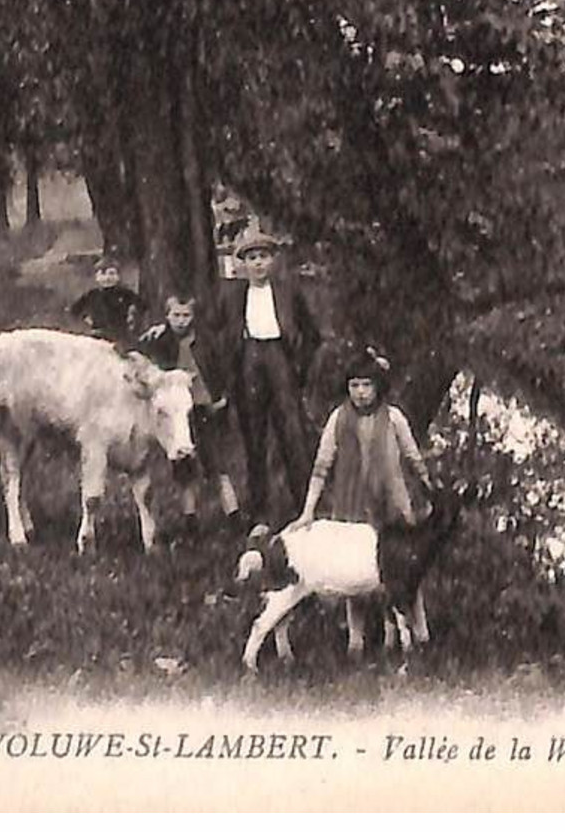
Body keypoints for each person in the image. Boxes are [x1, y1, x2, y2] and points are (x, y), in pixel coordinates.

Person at [292, 346, 434, 645]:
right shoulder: (338, 419)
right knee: (352, 572)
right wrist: (308, 511)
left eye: (366, 385)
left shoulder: (394, 418)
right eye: (353, 385)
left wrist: (428, 487)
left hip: (392, 505)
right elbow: (321, 466)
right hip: (351, 503)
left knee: (404, 570)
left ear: (377, 386)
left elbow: (413, 457)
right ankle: (356, 640)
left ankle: (416, 635)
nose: (359, 392)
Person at [210, 228, 321, 528]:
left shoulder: (288, 291)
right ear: (243, 264)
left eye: (263, 257)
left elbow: (311, 333)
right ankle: (259, 511)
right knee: (253, 436)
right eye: (252, 258)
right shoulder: (232, 295)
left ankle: (304, 508)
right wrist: (230, 363)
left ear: (273, 261)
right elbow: (216, 331)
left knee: (292, 434)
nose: (258, 264)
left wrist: (299, 366)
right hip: (249, 359)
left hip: (279, 357)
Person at [136, 291, 243, 532]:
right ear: (167, 316)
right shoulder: (161, 340)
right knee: (185, 470)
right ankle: (190, 521)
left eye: (186, 315)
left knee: (216, 465)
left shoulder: (204, 342)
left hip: (203, 408)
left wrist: (222, 396)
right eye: (175, 315)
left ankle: (234, 517)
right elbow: (140, 357)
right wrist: (150, 335)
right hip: (177, 413)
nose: (181, 320)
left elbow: (220, 368)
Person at [70, 253, 145, 342]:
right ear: (97, 277)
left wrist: (132, 317)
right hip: (98, 336)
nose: (107, 278)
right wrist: (86, 319)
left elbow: (142, 306)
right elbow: (75, 309)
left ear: (118, 277)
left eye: (111, 273)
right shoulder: (92, 295)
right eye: (103, 274)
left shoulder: (125, 293)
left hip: (120, 336)